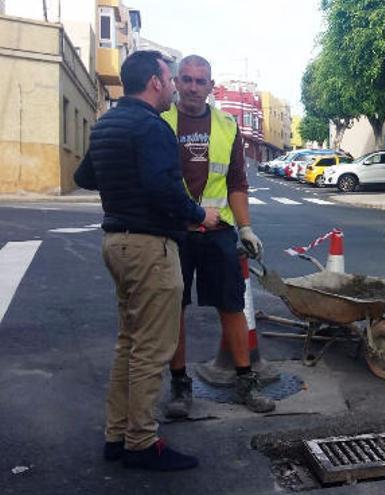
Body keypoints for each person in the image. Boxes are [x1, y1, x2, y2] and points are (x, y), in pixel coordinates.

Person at [74, 50, 218, 471]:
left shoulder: (107, 124)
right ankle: (141, 441)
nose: (176, 86)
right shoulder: (152, 126)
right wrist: (198, 214)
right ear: (155, 82)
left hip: (115, 243)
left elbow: (86, 177)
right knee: (152, 348)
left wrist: (121, 180)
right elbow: (162, 187)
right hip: (150, 248)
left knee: (129, 343)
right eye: (171, 79)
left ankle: (116, 434)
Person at [161, 55, 274, 417]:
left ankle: (245, 380)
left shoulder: (227, 126)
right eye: (187, 80)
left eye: (201, 81)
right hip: (174, 233)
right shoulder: (160, 123)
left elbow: (236, 183)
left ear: (211, 87)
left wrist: (246, 227)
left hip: (219, 233)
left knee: (232, 306)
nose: (194, 87)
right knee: (172, 310)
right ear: (176, 83)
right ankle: (180, 386)